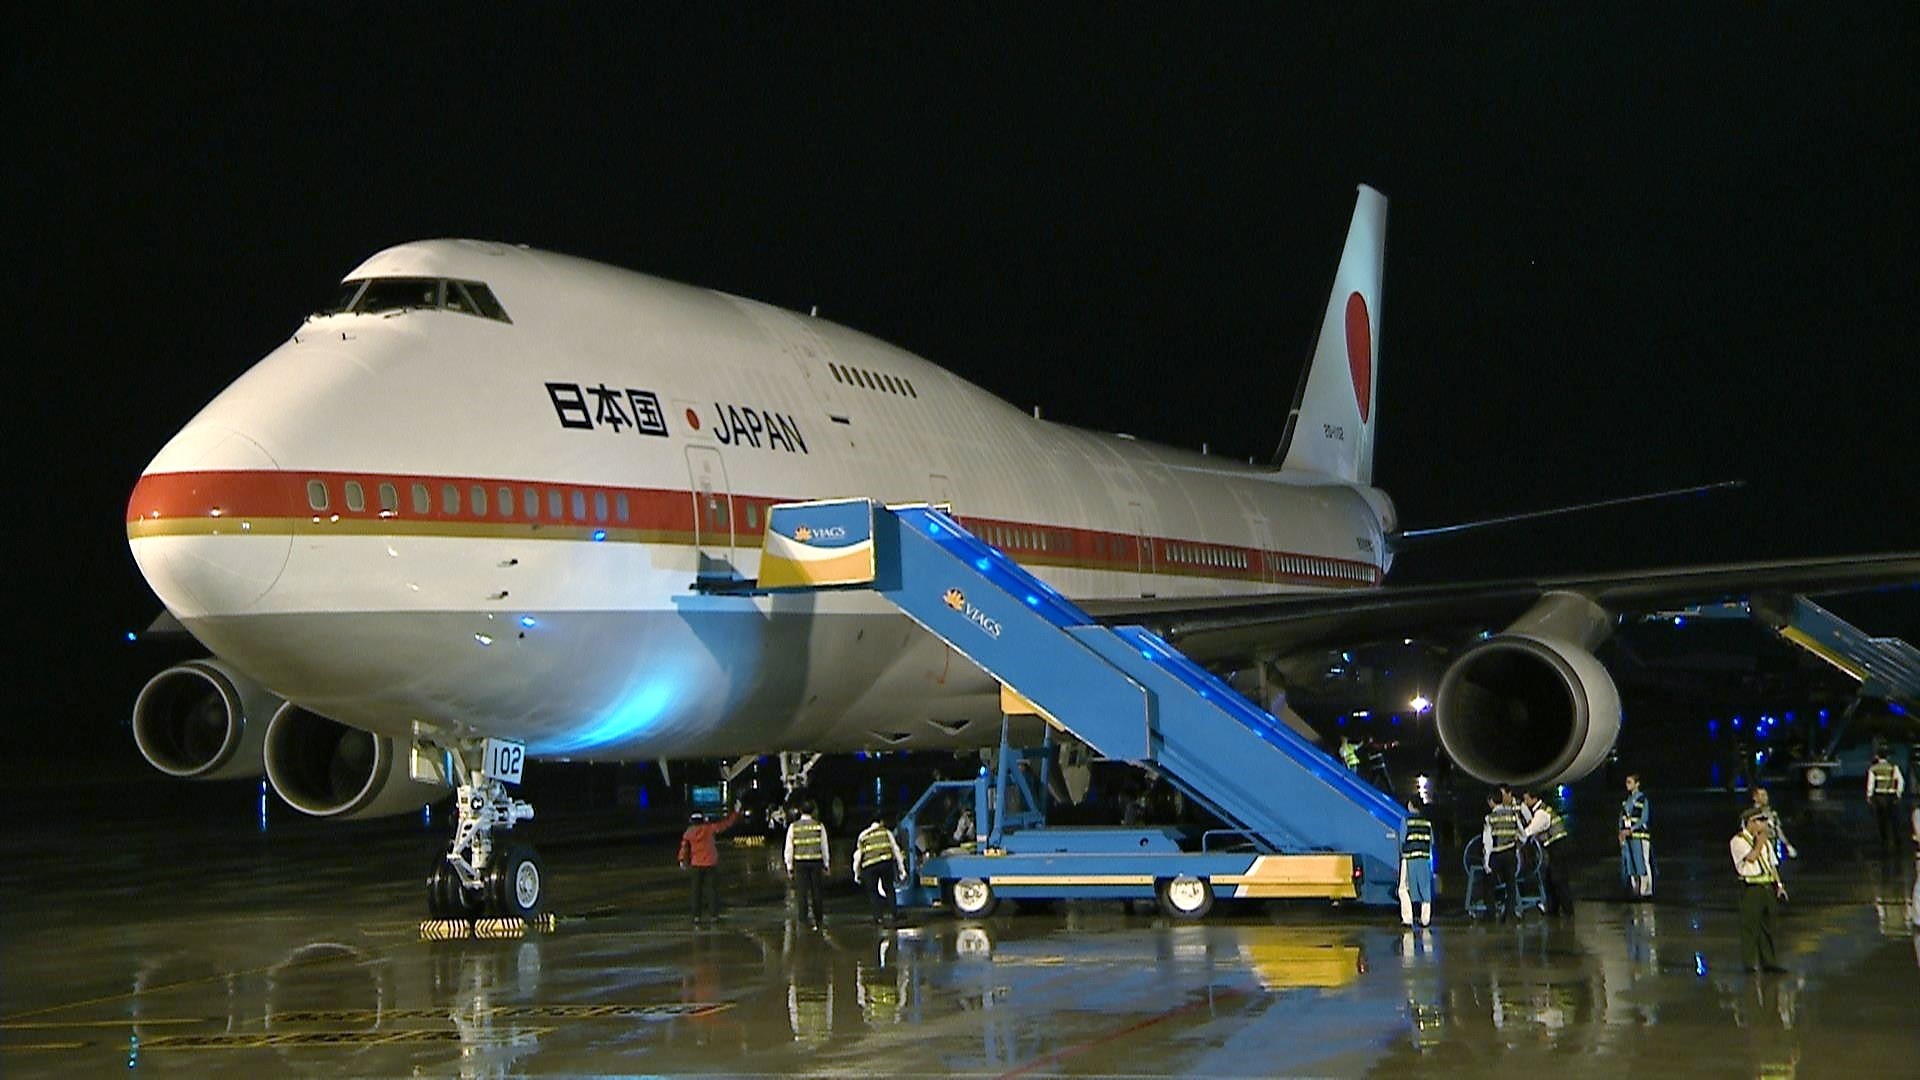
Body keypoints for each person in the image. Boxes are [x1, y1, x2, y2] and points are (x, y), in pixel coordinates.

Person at [1730, 807, 1788, 973]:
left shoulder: (1766, 842)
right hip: (1751, 888)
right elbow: (1751, 857)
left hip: (1767, 886)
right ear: (1751, 823)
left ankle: (1769, 962)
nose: (1764, 824)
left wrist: (1779, 885)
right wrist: (1760, 842)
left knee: (1767, 926)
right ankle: (1749, 964)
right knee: (1750, 926)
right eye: (1761, 821)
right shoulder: (1738, 841)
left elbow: (1772, 865)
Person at [678, 801, 744, 925]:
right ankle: (714, 916)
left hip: (696, 865)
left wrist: (682, 861)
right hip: (710, 864)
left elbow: (684, 848)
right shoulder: (709, 829)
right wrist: (736, 812)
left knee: (696, 891)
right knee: (712, 891)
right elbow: (725, 824)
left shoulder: (688, 833)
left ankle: (696, 916)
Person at [1521, 790, 1574, 916]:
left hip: (1557, 847)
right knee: (1550, 879)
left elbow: (1531, 830)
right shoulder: (1542, 810)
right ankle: (1553, 909)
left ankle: (1567, 910)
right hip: (1554, 847)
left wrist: (1519, 836)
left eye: (1526, 799)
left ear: (1534, 799)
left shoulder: (1541, 813)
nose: (1525, 802)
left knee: (1558, 879)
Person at [853, 816, 907, 927]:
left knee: (873, 892)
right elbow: (896, 850)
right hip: (885, 863)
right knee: (889, 889)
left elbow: (858, 856)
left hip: (869, 866)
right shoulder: (886, 832)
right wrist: (902, 869)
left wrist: (856, 873)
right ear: (881, 822)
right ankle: (894, 914)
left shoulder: (863, 835)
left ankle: (878, 918)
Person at [785, 801, 830, 930]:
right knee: (817, 891)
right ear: (813, 811)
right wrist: (826, 864)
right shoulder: (819, 826)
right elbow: (824, 846)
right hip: (816, 862)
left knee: (802, 892)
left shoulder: (794, 827)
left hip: (800, 862)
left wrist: (789, 867)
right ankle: (818, 918)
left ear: (800, 811)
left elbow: (789, 848)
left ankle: (803, 919)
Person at [1481, 789, 1523, 922]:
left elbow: (1487, 842)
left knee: (1489, 885)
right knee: (1511, 884)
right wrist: (1517, 848)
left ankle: (1491, 914)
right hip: (1510, 853)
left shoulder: (1490, 818)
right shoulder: (1513, 815)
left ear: (1492, 801)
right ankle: (1510, 914)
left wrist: (1486, 862)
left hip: (1496, 854)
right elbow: (1523, 834)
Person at [1398, 798, 1435, 928]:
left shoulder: (1406, 820)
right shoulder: (1427, 822)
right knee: (1425, 888)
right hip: (1424, 859)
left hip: (1409, 858)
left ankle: (1408, 918)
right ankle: (1425, 919)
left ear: (1410, 805)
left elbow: (1402, 840)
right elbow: (1431, 841)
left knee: (1403, 888)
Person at [1618, 774, 1653, 899]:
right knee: (1631, 862)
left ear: (1637, 784)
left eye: (1629, 782)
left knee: (1643, 862)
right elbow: (1622, 818)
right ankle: (1636, 889)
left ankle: (1647, 890)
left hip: (1640, 835)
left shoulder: (1643, 799)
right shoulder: (1626, 801)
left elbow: (1644, 818)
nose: (1627, 784)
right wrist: (1621, 832)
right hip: (1629, 836)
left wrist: (1631, 829)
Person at [1866, 749, 1906, 856]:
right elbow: (1901, 781)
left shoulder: (1873, 768)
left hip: (1879, 796)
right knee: (1894, 819)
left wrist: (1869, 796)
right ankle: (1897, 839)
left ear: (1877, 757)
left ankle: (1884, 839)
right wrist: (1898, 794)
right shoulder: (1893, 767)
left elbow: (1871, 783)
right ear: (1887, 757)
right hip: (1891, 796)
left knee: (1882, 819)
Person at [1747, 786, 1797, 864]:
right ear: (1755, 797)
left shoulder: (1772, 813)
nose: (1765, 798)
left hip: (1772, 848)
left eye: (1766, 795)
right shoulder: (1748, 815)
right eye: (1762, 795)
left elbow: (1778, 830)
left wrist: (1787, 845)